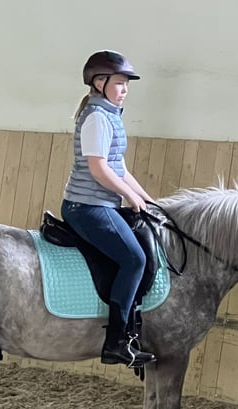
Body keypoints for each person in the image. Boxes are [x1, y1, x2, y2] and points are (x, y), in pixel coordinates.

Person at [61, 50, 156, 367]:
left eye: (127, 84)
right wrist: (130, 198)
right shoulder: (97, 118)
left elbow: (120, 167)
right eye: (119, 83)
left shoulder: (111, 117)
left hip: (101, 202)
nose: (125, 89)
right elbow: (99, 169)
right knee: (134, 259)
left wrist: (147, 198)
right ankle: (116, 341)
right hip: (86, 205)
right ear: (99, 83)